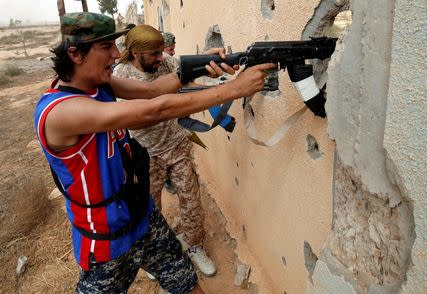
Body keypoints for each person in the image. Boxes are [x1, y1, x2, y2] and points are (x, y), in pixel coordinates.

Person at [34, 12, 273, 294]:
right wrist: (234, 89)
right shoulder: (60, 112)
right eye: (107, 47)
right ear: (75, 54)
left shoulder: (99, 84)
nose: (116, 54)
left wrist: (200, 67)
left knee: (184, 280)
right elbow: (155, 110)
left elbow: (153, 91)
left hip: (142, 215)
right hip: (106, 237)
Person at [113, 25, 214, 276]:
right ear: (136, 52)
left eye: (162, 52)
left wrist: (211, 64)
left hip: (178, 144)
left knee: (191, 201)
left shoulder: (167, 62)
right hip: (145, 155)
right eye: (155, 54)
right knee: (149, 209)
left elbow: (186, 75)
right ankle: (154, 256)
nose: (162, 58)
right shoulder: (121, 76)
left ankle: (194, 246)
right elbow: (129, 120)